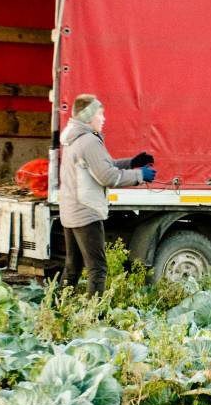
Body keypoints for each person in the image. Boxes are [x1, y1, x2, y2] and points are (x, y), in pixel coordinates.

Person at [60, 94, 156, 295]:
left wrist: (131, 163)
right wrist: (140, 175)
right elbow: (108, 177)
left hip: (71, 210)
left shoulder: (73, 139)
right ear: (88, 117)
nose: (103, 119)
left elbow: (101, 166)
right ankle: (96, 315)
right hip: (87, 212)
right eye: (100, 114)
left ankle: (57, 307)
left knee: (73, 267)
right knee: (98, 268)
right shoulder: (88, 141)